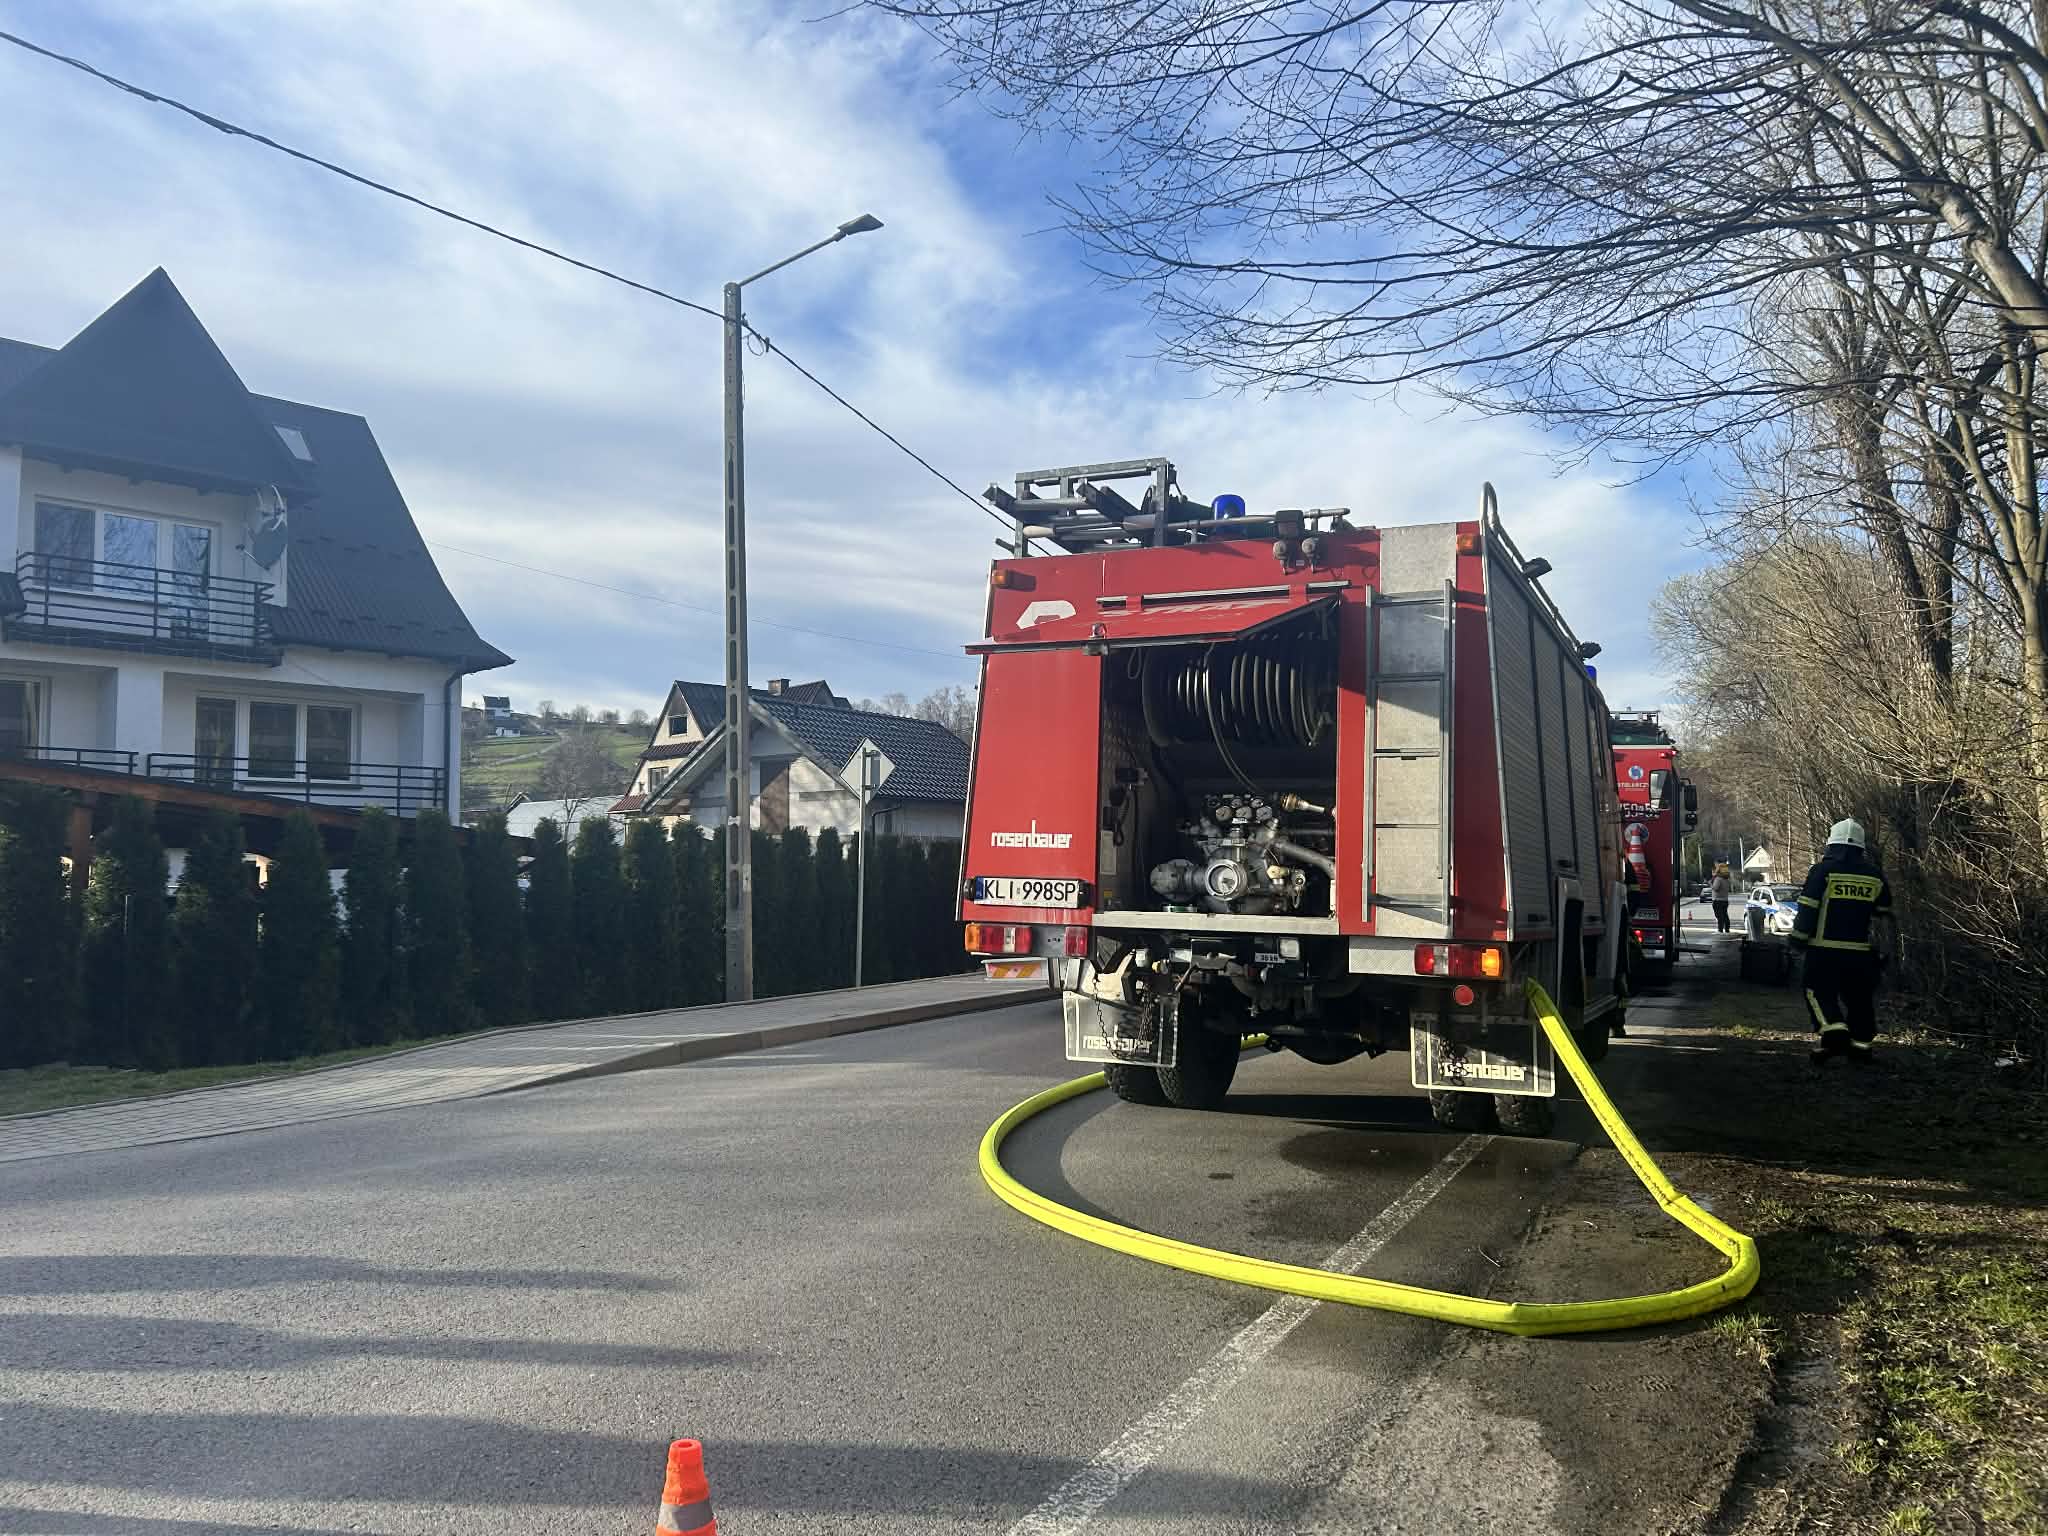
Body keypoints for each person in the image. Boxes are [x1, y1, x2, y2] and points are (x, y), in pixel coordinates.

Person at [1788, 818, 1893, 1067]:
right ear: (1861, 847)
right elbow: (1884, 911)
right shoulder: (1874, 876)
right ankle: (1861, 1048)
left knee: (1816, 992)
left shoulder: (1822, 872)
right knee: (1859, 1000)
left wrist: (1798, 939)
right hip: (1861, 954)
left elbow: (1808, 909)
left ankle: (1834, 1035)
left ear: (1831, 844)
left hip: (1824, 952)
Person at [1709, 864, 1732, 934]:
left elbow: (1716, 888)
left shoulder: (1718, 879)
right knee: (1725, 915)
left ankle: (1720, 930)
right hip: (1725, 900)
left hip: (1717, 900)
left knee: (1719, 916)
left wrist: (1710, 884)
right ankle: (1727, 929)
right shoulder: (1727, 879)